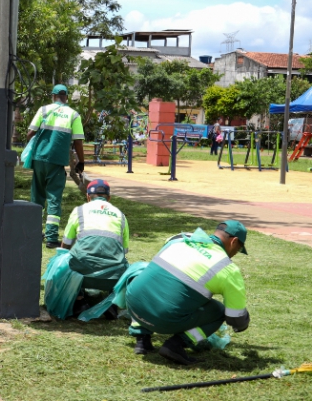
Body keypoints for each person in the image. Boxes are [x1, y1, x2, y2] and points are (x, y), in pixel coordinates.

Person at [125, 221, 250, 365]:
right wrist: (243, 322)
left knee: (151, 284)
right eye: (238, 249)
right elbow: (235, 318)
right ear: (234, 242)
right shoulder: (228, 269)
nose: (235, 254)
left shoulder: (180, 238)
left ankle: (142, 339)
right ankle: (177, 345)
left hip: (133, 305)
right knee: (219, 311)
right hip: (163, 320)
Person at [26, 85, 85, 248]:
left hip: (39, 158)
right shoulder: (74, 115)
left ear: (53, 96)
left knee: (37, 196)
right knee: (53, 198)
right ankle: (51, 238)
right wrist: (81, 161)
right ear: (66, 97)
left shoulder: (43, 110)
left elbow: (29, 133)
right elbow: (78, 141)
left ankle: (34, 232)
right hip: (57, 161)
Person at [61, 179, 129, 314]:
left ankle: (79, 300)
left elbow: (65, 245)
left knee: (65, 259)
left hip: (81, 276)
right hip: (112, 277)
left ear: (87, 196)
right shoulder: (121, 216)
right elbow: (124, 251)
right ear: (108, 198)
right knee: (123, 263)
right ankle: (112, 302)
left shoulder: (79, 211)